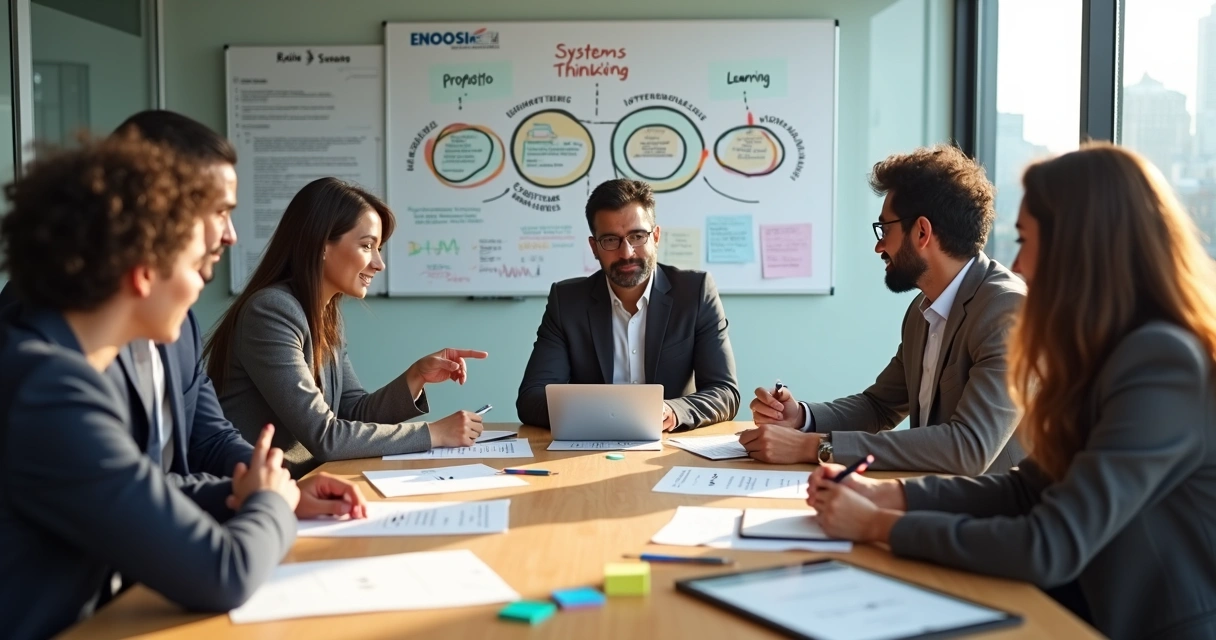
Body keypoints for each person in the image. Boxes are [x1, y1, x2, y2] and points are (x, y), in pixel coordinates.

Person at [808, 143, 1216, 640]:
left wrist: (877, 525)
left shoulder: (1161, 361)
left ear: (1080, 246)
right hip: (1075, 605)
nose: (1017, 264)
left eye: (1024, 240)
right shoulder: (1104, 351)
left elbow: (1049, 543)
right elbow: (1026, 488)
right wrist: (888, 495)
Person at [0, 134, 299, 640]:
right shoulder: (47, 389)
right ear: (142, 274)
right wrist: (270, 503)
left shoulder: (54, 365)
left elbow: (133, 484)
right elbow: (221, 573)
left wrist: (242, 491)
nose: (199, 283)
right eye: (191, 266)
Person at [0, 110, 365, 520]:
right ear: (159, 208)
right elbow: (130, 489)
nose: (231, 235)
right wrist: (270, 502)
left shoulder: (178, 322)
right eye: (219, 212)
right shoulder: (51, 343)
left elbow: (207, 439)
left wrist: (285, 489)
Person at [746, 145, 1025, 474]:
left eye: (885, 229)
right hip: (935, 497)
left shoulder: (1007, 310)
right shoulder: (923, 310)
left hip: (994, 515)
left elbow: (970, 447)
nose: (879, 246)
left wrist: (815, 447)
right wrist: (801, 417)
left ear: (922, 232)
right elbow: (879, 406)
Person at [204, 177, 488, 477]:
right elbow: (326, 436)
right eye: (367, 246)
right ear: (321, 244)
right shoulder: (271, 312)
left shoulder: (325, 315)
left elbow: (352, 412)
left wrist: (416, 376)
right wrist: (433, 433)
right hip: (252, 494)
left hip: (305, 483)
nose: (379, 264)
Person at [516, 178, 740, 431]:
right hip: (589, 447)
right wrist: (608, 415)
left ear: (655, 236)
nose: (627, 253)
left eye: (637, 236)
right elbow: (531, 398)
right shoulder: (567, 301)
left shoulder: (695, 293)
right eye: (611, 240)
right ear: (594, 247)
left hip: (670, 444)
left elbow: (725, 392)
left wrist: (673, 411)